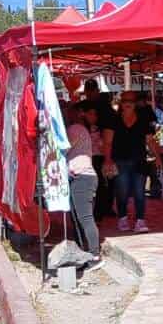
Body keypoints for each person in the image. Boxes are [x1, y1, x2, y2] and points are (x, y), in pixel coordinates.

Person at [109, 96, 153, 233]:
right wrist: (107, 159)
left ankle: (140, 220)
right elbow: (107, 141)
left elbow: (150, 140)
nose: (128, 104)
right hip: (120, 160)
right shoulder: (114, 120)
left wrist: (157, 157)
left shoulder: (143, 120)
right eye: (125, 102)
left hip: (139, 160)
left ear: (135, 104)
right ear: (121, 104)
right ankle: (122, 218)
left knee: (140, 192)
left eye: (131, 102)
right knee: (122, 192)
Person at [63, 102, 101, 259]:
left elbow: (63, 148)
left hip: (81, 176)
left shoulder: (74, 129)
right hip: (83, 176)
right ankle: (85, 252)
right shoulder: (82, 129)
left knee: (85, 218)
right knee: (79, 218)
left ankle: (94, 254)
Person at [81, 78, 119, 223]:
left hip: (104, 150)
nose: (90, 93)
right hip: (88, 151)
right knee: (97, 183)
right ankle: (98, 211)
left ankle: (103, 209)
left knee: (105, 182)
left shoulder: (106, 108)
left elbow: (112, 127)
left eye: (92, 90)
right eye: (88, 90)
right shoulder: (82, 107)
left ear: (97, 90)